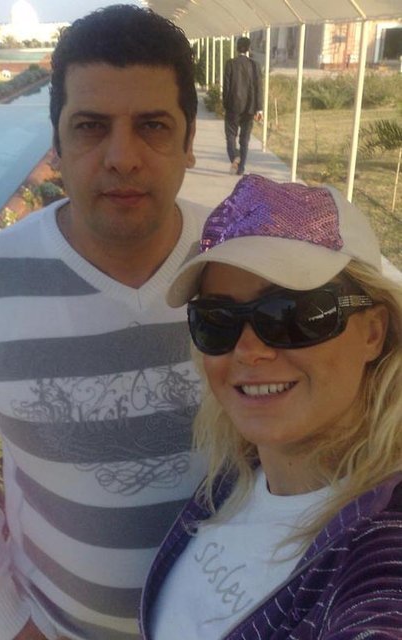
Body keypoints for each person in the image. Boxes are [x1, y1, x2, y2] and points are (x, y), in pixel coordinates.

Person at [0, 6, 209, 640]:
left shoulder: (239, 266)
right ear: (56, 143)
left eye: (153, 126)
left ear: (189, 141)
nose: (122, 157)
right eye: (90, 126)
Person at [140, 174, 402, 639]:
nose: (248, 351)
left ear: (373, 331)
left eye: (290, 314)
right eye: (217, 320)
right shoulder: (236, 473)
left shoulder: (381, 544)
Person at [223, 37, 263, 176]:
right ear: (249, 48)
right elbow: (259, 88)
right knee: (244, 140)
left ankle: (235, 156)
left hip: (233, 107)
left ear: (237, 48)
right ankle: (240, 169)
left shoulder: (230, 64)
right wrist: (259, 108)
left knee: (230, 136)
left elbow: (226, 87)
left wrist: (225, 104)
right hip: (249, 108)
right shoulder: (255, 65)